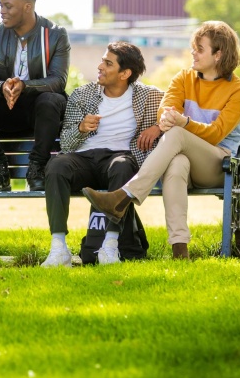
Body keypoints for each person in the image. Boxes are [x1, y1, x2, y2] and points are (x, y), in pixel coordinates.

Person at [84, 21, 240, 260]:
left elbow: (215, 133)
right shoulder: (184, 78)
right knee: (176, 164)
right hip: (185, 157)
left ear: (219, 54)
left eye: (200, 49)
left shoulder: (239, 91)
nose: (193, 52)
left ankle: (124, 196)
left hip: (218, 164)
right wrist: (168, 118)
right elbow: (164, 111)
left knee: (176, 134)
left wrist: (182, 123)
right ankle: (180, 250)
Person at [41, 42, 163, 267]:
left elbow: (176, 111)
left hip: (118, 159)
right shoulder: (82, 94)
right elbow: (67, 143)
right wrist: (80, 128)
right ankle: (58, 248)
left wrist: (157, 127)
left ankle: (110, 246)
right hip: (84, 159)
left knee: (123, 166)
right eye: (102, 60)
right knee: (57, 165)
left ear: (125, 73)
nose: (100, 66)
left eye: (108, 63)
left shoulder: (149, 96)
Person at [0, 0, 70, 191]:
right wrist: (2, 86)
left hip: (41, 112)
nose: (2, 11)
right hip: (8, 107)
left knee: (51, 100)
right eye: (0, 5)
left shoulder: (55, 34)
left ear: (27, 6)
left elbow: (58, 81)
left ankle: (36, 169)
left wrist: (26, 86)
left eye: (8, 6)